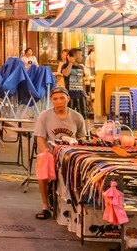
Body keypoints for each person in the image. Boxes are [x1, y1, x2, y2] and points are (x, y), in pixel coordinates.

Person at [33, 86, 87, 220]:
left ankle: (76, 204)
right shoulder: (44, 116)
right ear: (51, 100)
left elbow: (83, 138)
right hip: (51, 153)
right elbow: (40, 137)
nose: (59, 101)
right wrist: (46, 153)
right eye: (55, 99)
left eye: (62, 98)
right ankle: (45, 205)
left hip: (71, 154)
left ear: (68, 98)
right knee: (42, 171)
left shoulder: (76, 117)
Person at [59, 48, 88, 116]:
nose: (81, 57)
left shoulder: (81, 67)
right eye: (80, 55)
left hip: (81, 94)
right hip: (70, 95)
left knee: (84, 115)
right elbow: (66, 74)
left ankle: (84, 127)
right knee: (68, 115)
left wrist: (84, 93)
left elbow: (82, 81)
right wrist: (71, 63)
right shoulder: (65, 65)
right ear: (74, 56)